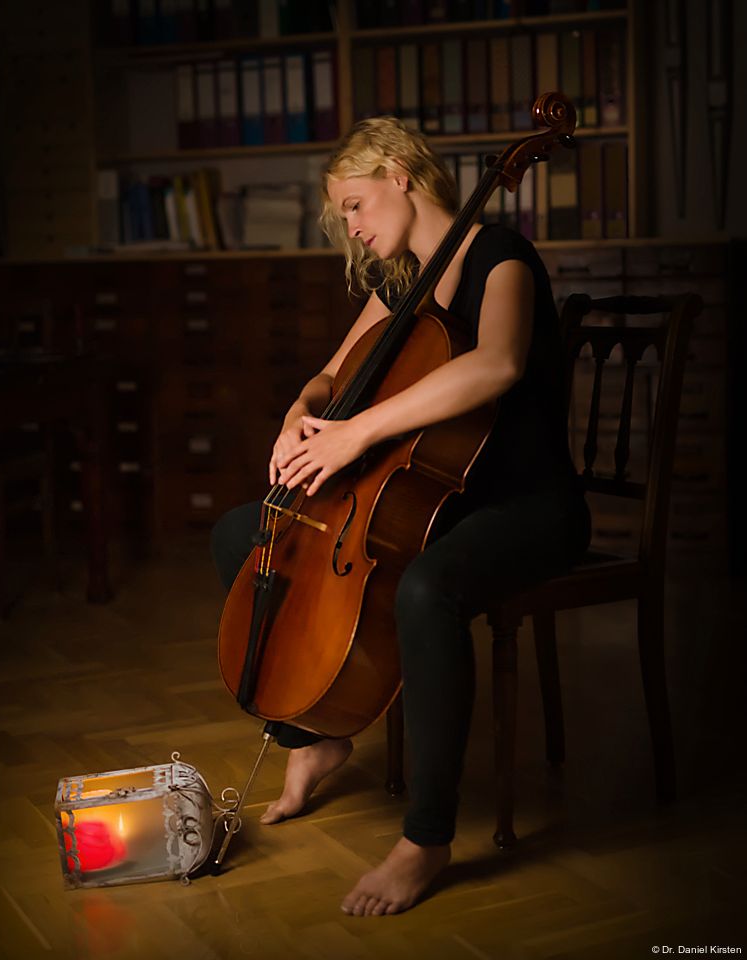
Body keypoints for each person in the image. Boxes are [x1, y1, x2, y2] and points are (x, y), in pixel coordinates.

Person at [211, 116, 590, 917]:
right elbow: (328, 376)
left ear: (401, 176)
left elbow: (497, 362)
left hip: (528, 507)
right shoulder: (402, 285)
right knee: (246, 534)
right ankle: (313, 737)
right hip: (437, 506)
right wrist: (297, 416)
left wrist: (356, 432)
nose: (349, 226)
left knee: (425, 592)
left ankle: (426, 838)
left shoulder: (501, 256)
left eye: (354, 205)